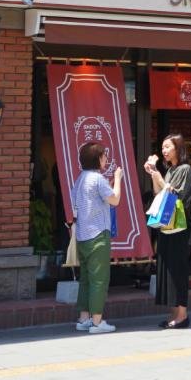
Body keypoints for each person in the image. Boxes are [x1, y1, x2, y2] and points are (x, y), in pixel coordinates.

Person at [68, 140, 123, 334]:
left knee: (85, 279)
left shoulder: (80, 179)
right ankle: (97, 322)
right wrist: (118, 179)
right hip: (98, 234)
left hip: (82, 235)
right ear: (97, 159)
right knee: (99, 279)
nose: (106, 159)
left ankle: (83, 319)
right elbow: (115, 200)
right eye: (104, 156)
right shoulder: (98, 179)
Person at [143, 134, 191, 328]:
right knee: (168, 269)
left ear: (178, 148)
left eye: (168, 147)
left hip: (179, 227)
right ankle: (174, 313)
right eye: (163, 147)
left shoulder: (185, 169)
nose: (164, 151)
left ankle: (182, 315)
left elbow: (177, 196)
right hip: (166, 225)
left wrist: (158, 177)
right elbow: (159, 193)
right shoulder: (171, 170)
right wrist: (154, 174)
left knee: (178, 269)